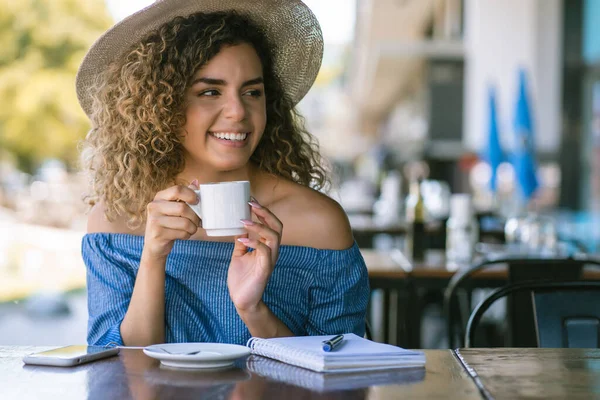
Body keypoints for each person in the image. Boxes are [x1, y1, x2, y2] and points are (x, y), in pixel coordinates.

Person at [78, 0, 369, 347]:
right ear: (162, 105)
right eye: (210, 92)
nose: (237, 111)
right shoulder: (114, 222)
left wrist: (253, 310)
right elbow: (114, 369)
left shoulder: (320, 224)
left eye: (252, 92)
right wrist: (153, 257)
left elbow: (343, 369)